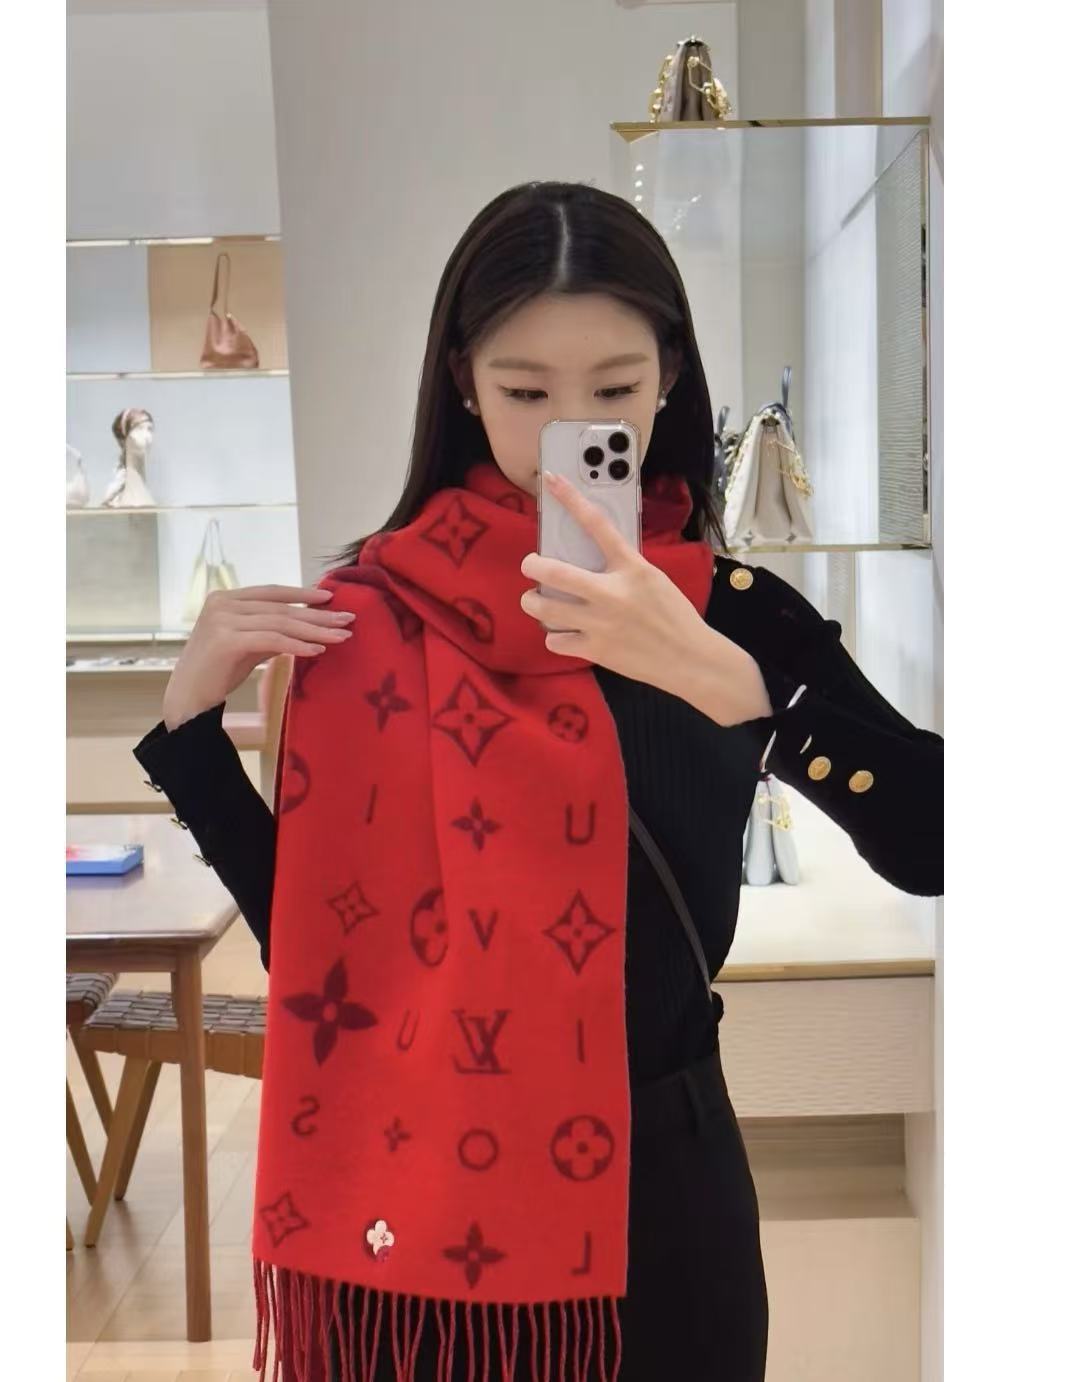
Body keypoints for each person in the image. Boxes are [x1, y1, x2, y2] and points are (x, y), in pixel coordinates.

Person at [134, 181, 943, 1382]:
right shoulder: (370, 618)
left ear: (670, 377)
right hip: (419, 1209)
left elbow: (937, 839)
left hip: (668, 1212)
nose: (574, 424)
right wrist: (189, 731)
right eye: (526, 391)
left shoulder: (731, 613)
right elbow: (319, 951)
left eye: (614, 389)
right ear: (463, 381)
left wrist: (734, 688)